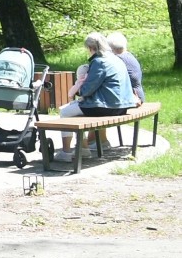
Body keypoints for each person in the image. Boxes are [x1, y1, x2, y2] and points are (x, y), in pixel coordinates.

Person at [54, 32, 138, 162]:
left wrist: (78, 90)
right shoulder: (115, 58)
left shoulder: (99, 62)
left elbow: (88, 89)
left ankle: (66, 152)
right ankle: (83, 149)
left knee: (65, 112)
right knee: (76, 111)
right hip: (122, 106)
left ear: (90, 48)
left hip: (106, 107)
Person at [106, 31, 145, 106]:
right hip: (138, 95)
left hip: (131, 99)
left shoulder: (117, 60)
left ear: (110, 48)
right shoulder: (129, 56)